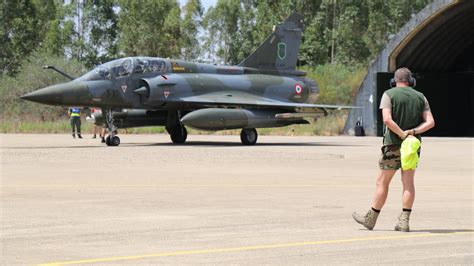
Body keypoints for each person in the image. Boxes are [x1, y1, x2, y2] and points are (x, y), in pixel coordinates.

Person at [352, 67, 435, 232]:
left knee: (382, 182)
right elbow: (430, 122)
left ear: (394, 81)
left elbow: (387, 120)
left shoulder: (388, 94)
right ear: (411, 81)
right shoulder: (421, 97)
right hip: (412, 145)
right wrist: (413, 132)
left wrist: (401, 135)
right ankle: (404, 221)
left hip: (393, 144)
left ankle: (371, 219)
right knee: (408, 183)